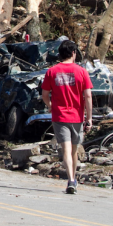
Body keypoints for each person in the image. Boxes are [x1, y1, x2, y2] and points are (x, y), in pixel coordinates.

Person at [41, 40, 92, 194]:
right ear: (74, 53)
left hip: (59, 116)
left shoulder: (52, 71)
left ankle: (71, 179)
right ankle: (72, 179)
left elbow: (44, 94)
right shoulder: (82, 71)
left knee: (66, 150)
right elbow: (88, 96)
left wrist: (50, 106)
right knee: (73, 151)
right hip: (77, 116)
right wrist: (89, 118)